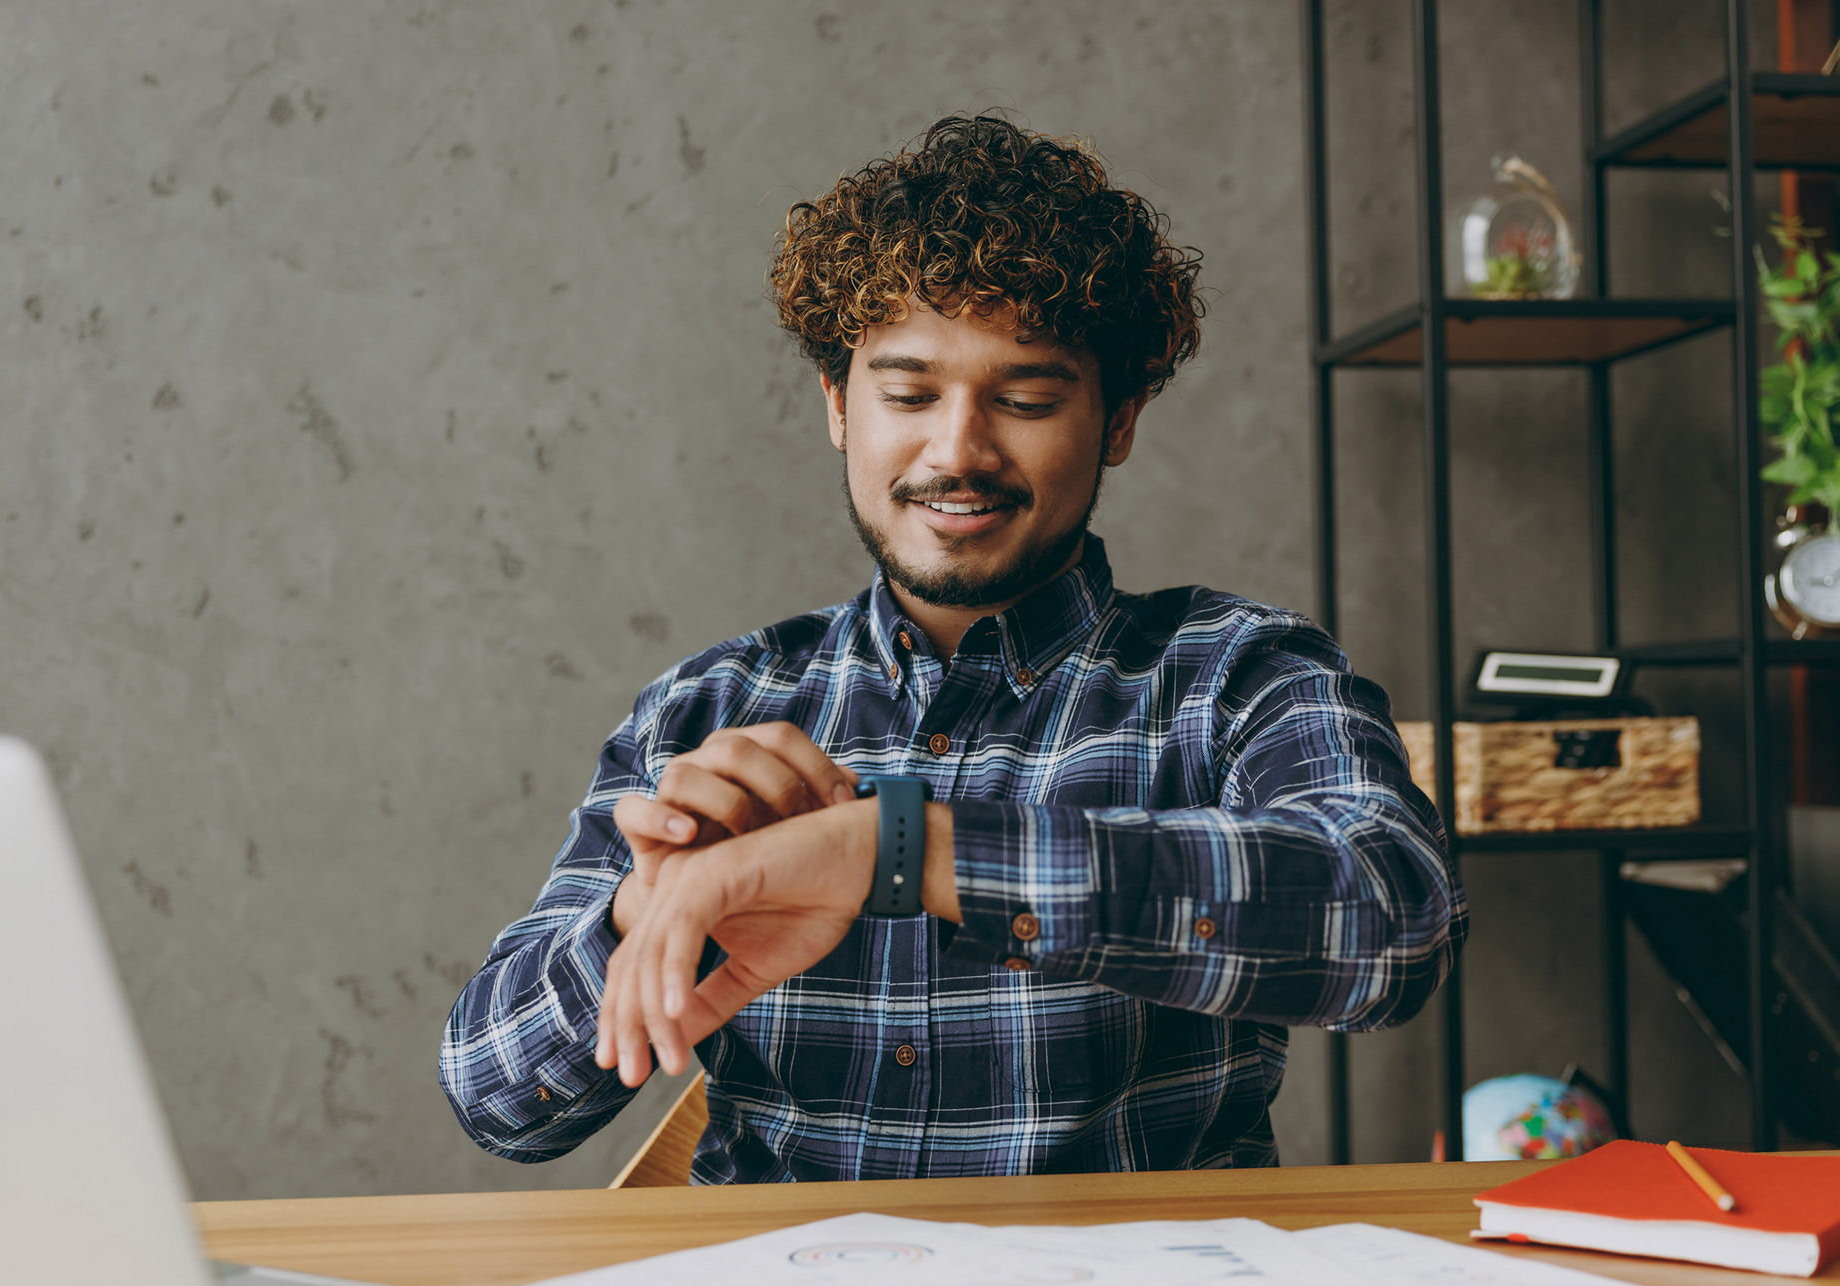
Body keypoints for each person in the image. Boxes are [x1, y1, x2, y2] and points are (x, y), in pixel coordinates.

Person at [440, 114, 1465, 1182]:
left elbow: (1393, 920)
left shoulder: (1237, 676)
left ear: (1118, 421)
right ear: (839, 405)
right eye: (909, 393)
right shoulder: (711, 708)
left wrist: (902, 850)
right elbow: (497, 1100)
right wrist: (652, 915)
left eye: (1024, 399)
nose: (958, 451)